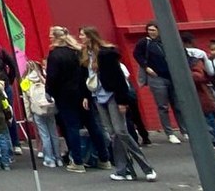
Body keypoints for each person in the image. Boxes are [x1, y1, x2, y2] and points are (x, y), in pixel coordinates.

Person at [81, 26, 156, 182]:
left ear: (90, 36)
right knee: (113, 134)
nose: (80, 37)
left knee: (121, 131)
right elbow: (86, 77)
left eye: (82, 35)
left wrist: (122, 101)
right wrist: (86, 96)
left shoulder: (106, 54)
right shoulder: (85, 55)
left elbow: (118, 78)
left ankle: (146, 167)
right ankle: (124, 170)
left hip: (112, 95)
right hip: (97, 96)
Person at [47, 25, 94, 172]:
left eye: (51, 35)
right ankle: (104, 158)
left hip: (65, 95)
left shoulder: (55, 55)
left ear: (56, 37)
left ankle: (78, 161)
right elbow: (84, 73)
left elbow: (52, 77)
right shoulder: (77, 51)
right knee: (92, 125)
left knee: (71, 127)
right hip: (82, 92)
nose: (49, 37)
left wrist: (49, 92)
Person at [133, 21, 183, 143]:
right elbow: (136, 54)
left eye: (153, 30)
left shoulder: (165, 41)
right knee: (162, 106)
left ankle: (185, 130)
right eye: (149, 30)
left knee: (178, 105)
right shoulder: (144, 42)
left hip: (171, 76)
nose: (151, 32)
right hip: (156, 77)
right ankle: (170, 133)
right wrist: (146, 67)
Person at [21, 58, 61, 168]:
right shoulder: (44, 77)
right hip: (49, 107)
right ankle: (58, 158)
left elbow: (26, 101)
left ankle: (49, 159)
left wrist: (28, 115)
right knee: (54, 133)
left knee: (44, 135)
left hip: (37, 109)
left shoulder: (25, 81)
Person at [189, 55, 215, 158]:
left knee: (211, 124)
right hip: (202, 100)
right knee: (209, 124)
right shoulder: (197, 64)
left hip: (202, 101)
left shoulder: (195, 67)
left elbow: (198, 77)